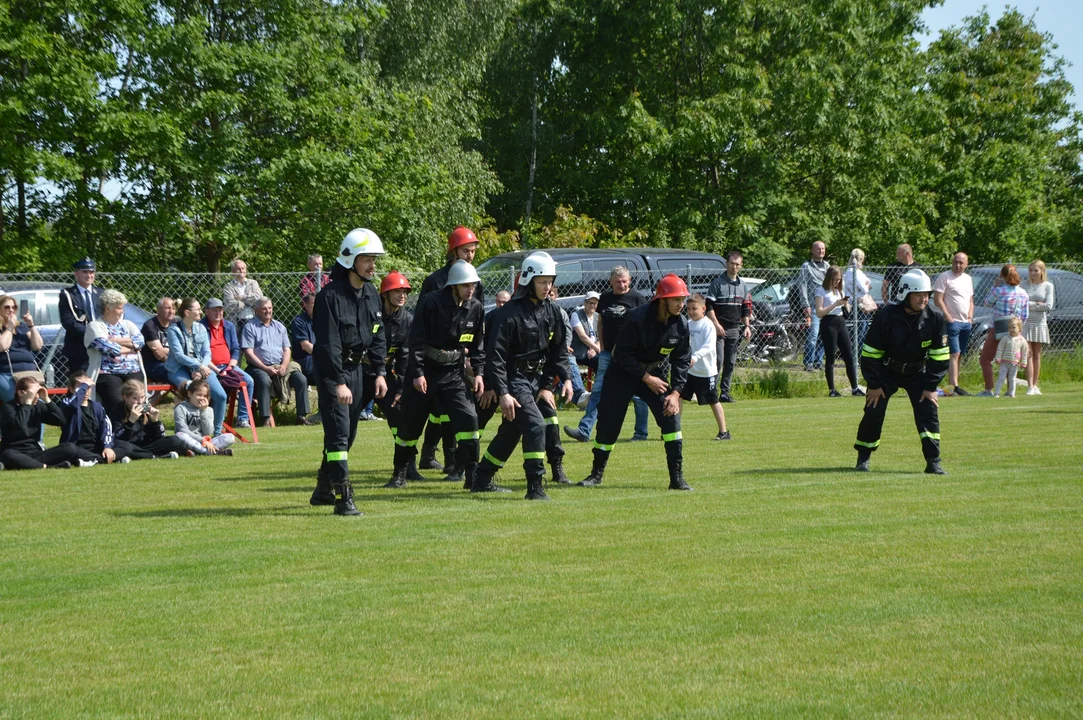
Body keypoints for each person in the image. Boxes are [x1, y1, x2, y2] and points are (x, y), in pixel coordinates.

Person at [468, 252, 573, 500]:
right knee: (535, 425)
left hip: (537, 380)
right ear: (527, 281)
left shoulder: (554, 313)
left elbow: (557, 353)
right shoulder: (507, 315)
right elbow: (495, 358)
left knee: (512, 430)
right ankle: (535, 486)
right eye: (542, 281)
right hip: (513, 379)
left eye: (550, 281)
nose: (547, 287)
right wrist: (503, 393)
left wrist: (560, 381)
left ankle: (481, 478)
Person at [578, 274, 692, 490]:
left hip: (654, 375)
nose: (681, 304)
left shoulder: (681, 324)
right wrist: (646, 378)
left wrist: (675, 393)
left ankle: (676, 478)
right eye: (677, 299)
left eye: (683, 299)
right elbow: (621, 355)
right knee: (609, 425)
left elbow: (682, 360)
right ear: (662, 299)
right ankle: (596, 474)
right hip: (621, 373)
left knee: (671, 418)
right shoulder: (636, 318)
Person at [308, 228, 388, 516]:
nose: (372, 265)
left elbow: (378, 335)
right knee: (339, 435)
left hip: (358, 371)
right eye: (367, 258)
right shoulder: (329, 297)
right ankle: (344, 498)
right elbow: (328, 345)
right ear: (350, 259)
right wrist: (339, 382)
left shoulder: (370, 294)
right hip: (334, 373)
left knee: (347, 435)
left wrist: (379, 372)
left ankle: (322, 489)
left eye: (373, 259)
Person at [388, 260, 484, 491]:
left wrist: (479, 372)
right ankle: (400, 473)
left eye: (473, 285)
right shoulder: (431, 303)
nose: (470, 290)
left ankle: (473, 477)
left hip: (453, 372)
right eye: (465, 286)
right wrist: (418, 373)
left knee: (469, 419)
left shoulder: (476, 307)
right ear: (453, 286)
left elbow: (479, 344)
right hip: (426, 372)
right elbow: (417, 339)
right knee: (410, 425)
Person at [854, 269, 950, 475]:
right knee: (873, 410)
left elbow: (940, 355)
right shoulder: (885, 316)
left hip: (919, 373)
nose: (924, 299)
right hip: (886, 371)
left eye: (926, 294)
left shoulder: (935, 318)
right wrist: (874, 384)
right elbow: (870, 353)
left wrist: (931, 386)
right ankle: (863, 457)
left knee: (929, 412)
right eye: (918, 294)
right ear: (905, 294)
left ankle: (933, 462)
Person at [416, 226, 486, 474]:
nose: (470, 255)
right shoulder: (434, 282)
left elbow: (476, 321)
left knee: (456, 412)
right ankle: (426, 455)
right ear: (453, 250)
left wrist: (471, 360)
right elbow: (421, 326)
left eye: (473, 251)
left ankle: (455, 463)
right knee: (429, 412)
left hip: (458, 359)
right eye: (466, 250)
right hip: (430, 361)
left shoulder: (475, 283)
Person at [564, 266, 650, 443]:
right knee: (598, 391)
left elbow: (645, 327)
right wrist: (602, 346)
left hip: (631, 355)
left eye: (625, 281)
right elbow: (601, 322)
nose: (622, 284)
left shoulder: (638, 299)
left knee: (638, 393)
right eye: (618, 281)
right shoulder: (605, 298)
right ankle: (584, 430)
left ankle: (641, 433)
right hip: (607, 354)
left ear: (630, 281)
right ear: (611, 282)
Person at [369, 271, 424, 483]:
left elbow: (405, 355)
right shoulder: (373, 315)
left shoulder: (407, 319)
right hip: (363, 373)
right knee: (346, 424)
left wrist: (401, 387)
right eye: (397, 291)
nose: (402, 295)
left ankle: (408, 465)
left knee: (401, 418)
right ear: (385, 294)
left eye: (405, 291)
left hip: (386, 374)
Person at [1, 376, 98, 470]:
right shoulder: (8, 407)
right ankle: (47, 467)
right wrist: (27, 403)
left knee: (70, 448)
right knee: (8, 455)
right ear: (21, 393)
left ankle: (30, 464)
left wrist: (47, 400)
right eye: (34, 393)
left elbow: (61, 420)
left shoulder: (38, 406)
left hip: (36, 453)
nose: (37, 396)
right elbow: (20, 426)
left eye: (38, 392)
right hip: (15, 451)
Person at [241, 298, 312, 426]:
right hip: (258, 367)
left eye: (269, 307)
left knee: (301, 379)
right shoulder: (250, 327)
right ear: (256, 311)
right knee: (264, 380)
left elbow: (286, 349)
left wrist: (284, 366)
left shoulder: (280, 326)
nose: (268, 311)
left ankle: (301, 417)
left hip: (280, 366)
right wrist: (265, 368)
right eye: (264, 308)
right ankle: (265, 418)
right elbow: (249, 353)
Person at [166, 298, 229, 436]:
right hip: (178, 368)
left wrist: (202, 369)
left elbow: (207, 352)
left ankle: (217, 433)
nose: (201, 312)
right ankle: (185, 434)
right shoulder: (173, 330)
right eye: (198, 309)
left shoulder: (201, 328)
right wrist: (199, 366)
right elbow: (178, 356)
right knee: (188, 390)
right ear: (188, 312)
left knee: (221, 396)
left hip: (201, 368)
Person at [84, 289, 147, 424]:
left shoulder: (128, 324)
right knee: (118, 403)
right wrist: (129, 346)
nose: (122, 311)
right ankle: (118, 431)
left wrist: (113, 340)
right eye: (119, 308)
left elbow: (140, 342)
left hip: (133, 370)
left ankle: (141, 431)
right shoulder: (94, 326)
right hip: (107, 373)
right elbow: (106, 346)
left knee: (139, 400)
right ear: (108, 309)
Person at [59, 372, 146, 464]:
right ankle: (102, 460)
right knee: (69, 450)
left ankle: (93, 460)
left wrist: (107, 447)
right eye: (81, 388)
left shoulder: (97, 407)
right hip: (75, 446)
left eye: (88, 387)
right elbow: (74, 405)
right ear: (72, 389)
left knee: (126, 446)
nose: (85, 391)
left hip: (95, 447)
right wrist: (84, 385)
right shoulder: (67, 403)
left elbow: (106, 429)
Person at [201, 297, 255, 428]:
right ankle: (216, 421)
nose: (218, 313)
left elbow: (236, 349)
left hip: (229, 365)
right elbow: (202, 353)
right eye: (214, 310)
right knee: (220, 392)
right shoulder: (201, 327)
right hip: (209, 367)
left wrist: (231, 366)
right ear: (206, 311)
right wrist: (217, 370)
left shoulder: (229, 325)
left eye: (220, 310)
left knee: (249, 381)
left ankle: (242, 419)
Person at [705, 250, 751, 402]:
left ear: (741, 266)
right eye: (732, 263)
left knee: (730, 362)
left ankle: (725, 393)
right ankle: (711, 392)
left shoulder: (743, 286)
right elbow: (709, 306)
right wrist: (716, 324)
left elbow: (745, 308)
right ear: (727, 263)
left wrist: (747, 326)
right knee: (718, 360)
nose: (734, 267)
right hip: (718, 329)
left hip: (734, 329)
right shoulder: (717, 283)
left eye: (737, 264)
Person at [683, 294, 730, 441]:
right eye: (689, 309)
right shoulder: (688, 324)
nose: (691, 311)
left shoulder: (708, 325)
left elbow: (709, 346)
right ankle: (674, 429)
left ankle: (724, 432)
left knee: (713, 400)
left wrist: (695, 357)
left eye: (694, 309)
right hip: (689, 371)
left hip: (705, 372)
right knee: (677, 396)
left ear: (703, 308)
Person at [978, 264, 1029, 396]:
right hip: (1016, 332)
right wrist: (1017, 329)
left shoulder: (999, 291)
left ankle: (989, 389)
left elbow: (987, 302)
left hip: (999, 329)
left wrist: (995, 286)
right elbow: (1025, 315)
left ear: (1002, 276)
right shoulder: (1023, 293)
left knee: (985, 359)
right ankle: (1009, 391)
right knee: (1010, 360)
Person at [814, 267, 863, 398]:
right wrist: (835, 304)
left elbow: (846, 311)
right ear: (829, 278)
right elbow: (819, 312)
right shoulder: (821, 290)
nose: (837, 282)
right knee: (830, 357)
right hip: (829, 323)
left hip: (841, 321)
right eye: (835, 279)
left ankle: (855, 388)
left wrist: (846, 304)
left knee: (849, 355)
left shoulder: (839, 291)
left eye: (839, 279)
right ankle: (832, 390)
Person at [932, 252, 975, 396]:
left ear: (966, 264)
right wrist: (948, 316)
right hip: (952, 322)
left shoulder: (968, 279)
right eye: (955, 262)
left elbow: (970, 300)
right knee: (954, 353)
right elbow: (938, 299)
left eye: (961, 263)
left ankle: (955, 383)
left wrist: (970, 317)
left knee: (960, 353)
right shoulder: (945, 277)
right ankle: (954, 386)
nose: (958, 265)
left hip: (965, 323)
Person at [114, 380, 186, 459]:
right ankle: (154, 456)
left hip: (146, 446)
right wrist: (131, 421)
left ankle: (144, 455)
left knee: (175, 440)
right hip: (130, 445)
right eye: (135, 398)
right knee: (126, 447)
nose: (140, 401)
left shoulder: (145, 408)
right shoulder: (118, 410)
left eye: (142, 397)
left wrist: (155, 422)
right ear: (125, 397)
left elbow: (158, 438)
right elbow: (118, 438)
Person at [58, 257, 103, 379]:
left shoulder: (101, 293)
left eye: (91, 272)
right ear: (76, 274)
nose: (89, 275)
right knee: (80, 385)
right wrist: (92, 334)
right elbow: (68, 322)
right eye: (85, 272)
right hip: (80, 349)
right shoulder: (68, 294)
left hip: (102, 348)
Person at [549, 284, 589, 407]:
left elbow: (567, 333)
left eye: (552, 294)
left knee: (569, 359)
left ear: (556, 296)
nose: (549, 296)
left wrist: (564, 346)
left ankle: (581, 395)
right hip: (542, 350)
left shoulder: (561, 313)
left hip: (559, 349)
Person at [174, 379, 236, 456]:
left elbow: (208, 432)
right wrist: (202, 440)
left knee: (230, 437)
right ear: (190, 394)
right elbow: (182, 430)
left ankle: (198, 452)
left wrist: (203, 411)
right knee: (180, 435)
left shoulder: (209, 410)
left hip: (205, 442)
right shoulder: (180, 408)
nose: (202, 398)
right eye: (199, 395)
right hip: (189, 440)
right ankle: (214, 452)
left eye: (205, 396)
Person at [1, 294, 44, 404]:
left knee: (38, 404)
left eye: (14, 307)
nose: (11, 310)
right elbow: (2, 346)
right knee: (18, 402)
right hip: (6, 373)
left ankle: (35, 421)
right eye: (7, 307)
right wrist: (10, 327)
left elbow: (37, 345)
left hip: (29, 373)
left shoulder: (21, 326)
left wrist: (31, 325)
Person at [1021, 259, 1054, 395]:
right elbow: (1021, 304)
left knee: (1037, 355)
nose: (1033, 273)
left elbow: (1048, 306)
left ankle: (1035, 385)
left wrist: (1031, 304)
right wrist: (1037, 304)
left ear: (1042, 271)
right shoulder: (1023, 285)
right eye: (1031, 270)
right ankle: (1029, 385)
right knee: (1027, 354)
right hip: (1025, 322)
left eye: (1036, 270)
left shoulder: (1048, 286)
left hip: (1039, 323)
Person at [796, 241, 828, 372]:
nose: (821, 251)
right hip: (813, 306)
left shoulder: (827, 266)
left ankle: (818, 361)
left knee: (824, 335)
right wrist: (805, 305)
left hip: (826, 306)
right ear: (812, 250)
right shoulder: (806, 266)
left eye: (823, 248)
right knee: (813, 334)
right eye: (818, 248)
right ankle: (808, 362)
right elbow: (802, 285)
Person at [843, 248, 874, 351]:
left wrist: (866, 284)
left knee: (861, 330)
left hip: (855, 302)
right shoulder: (854, 271)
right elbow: (865, 288)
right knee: (860, 332)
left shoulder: (851, 271)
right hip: (858, 305)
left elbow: (868, 283)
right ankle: (857, 354)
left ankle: (857, 353)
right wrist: (866, 284)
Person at [140, 297, 176, 385]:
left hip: (172, 362)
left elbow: (184, 349)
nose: (171, 311)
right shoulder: (150, 325)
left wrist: (168, 351)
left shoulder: (176, 323)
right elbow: (161, 355)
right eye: (167, 308)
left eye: (173, 308)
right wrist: (176, 353)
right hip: (153, 365)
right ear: (158, 310)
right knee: (179, 372)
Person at [222, 258, 262, 333]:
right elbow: (228, 305)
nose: (241, 270)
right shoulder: (228, 287)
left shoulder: (253, 283)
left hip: (253, 319)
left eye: (243, 268)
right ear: (233, 271)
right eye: (238, 269)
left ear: (246, 270)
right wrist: (248, 302)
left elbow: (259, 298)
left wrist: (242, 297)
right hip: (236, 322)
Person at [993, 317, 1028, 398]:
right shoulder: (1005, 338)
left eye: (1014, 327)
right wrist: (998, 358)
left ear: (1019, 329)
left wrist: (1023, 362)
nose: (1011, 329)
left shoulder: (1022, 340)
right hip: (1004, 363)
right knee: (1001, 377)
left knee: (1012, 379)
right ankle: (997, 393)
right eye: (1009, 327)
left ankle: (1012, 393)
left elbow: (1024, 352)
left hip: (1014, 363)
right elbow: (1000, 348)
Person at [570, 290, 601, 371]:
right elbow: (582, 336)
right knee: (601, 361)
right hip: (580, 351)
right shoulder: (576, 315)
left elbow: (600, 336)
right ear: (585, 303)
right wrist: (598, 350)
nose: (592, 305)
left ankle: (602, 383)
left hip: (594, 350)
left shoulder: (598, 316)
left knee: (607, 361)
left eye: (594, 303)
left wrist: (595, 349)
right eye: (590, 303)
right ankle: (600, 383)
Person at [291, 293, 318, 384]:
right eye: (314, 303)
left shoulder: (323, 320)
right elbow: (306, 346)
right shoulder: (299, 322)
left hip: (320, 358)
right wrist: (324, 354)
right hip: (306, 361)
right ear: (305, 305)